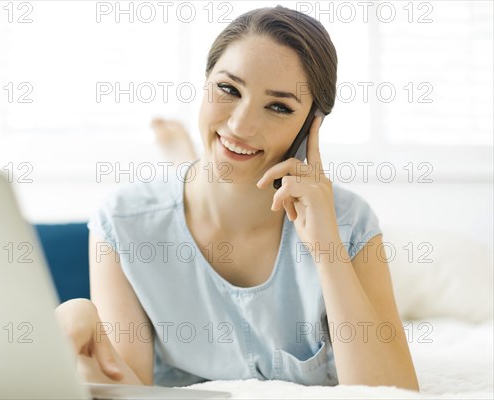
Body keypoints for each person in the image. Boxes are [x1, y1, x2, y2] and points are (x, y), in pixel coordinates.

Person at [55, 5, 420, 391]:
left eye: (279, 107)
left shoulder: (350, 222)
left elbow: (391, 393)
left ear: (311, 125)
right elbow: (129, 389)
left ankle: (183, 155)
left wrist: (327, 249)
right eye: (228, 89)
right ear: (205, 81)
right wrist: (77, 315)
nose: (241, 124)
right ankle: (180, 157)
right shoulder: (122, 221)